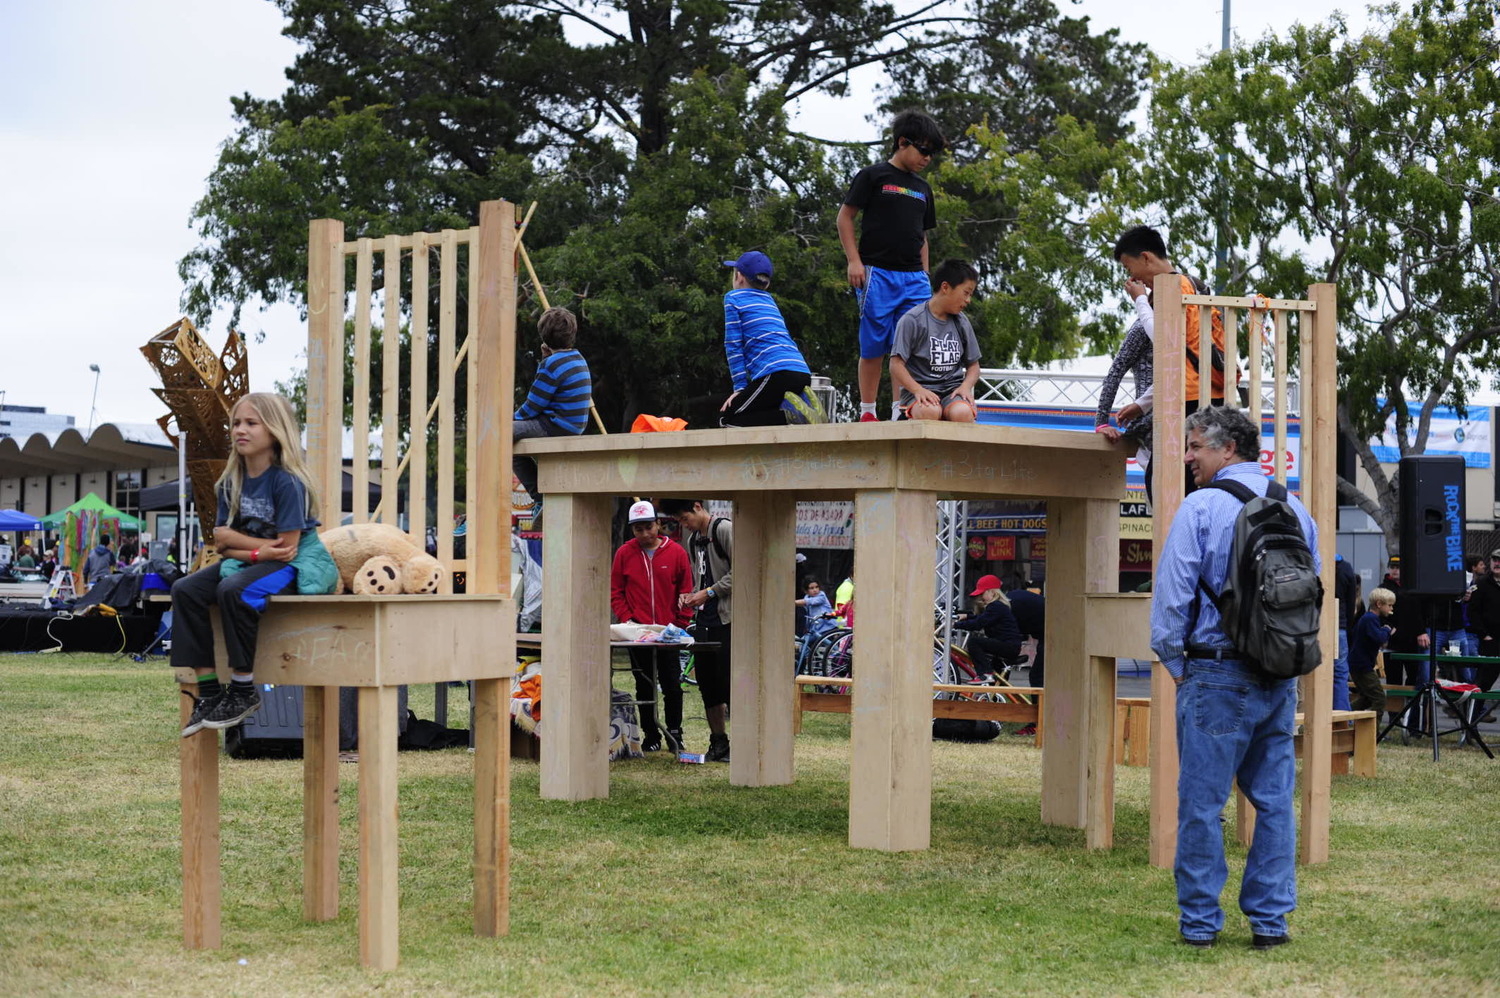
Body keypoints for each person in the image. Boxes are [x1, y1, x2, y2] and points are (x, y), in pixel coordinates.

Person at [1149, 405, 1318, 951]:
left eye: (1195, 446)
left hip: (1214, 672)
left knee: (1202, 804)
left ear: (1228, 449)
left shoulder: (1200, 506)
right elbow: (1310, 593)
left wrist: (1177, 666)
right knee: (1274, 801)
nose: (1188, 457)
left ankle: (1200, 923)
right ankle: (1270, 922)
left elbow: (1172, 599)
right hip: (1278, 675)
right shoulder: (1295, 508)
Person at [174, 393, 323, 736]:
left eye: (251, 423)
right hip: (253, 561)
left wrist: (240, 544)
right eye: (236, 423)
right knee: (185, 590)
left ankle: (243, 689)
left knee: (234, 590)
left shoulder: (287, 482)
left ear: (274, 430)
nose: (240, 430)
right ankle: (209, 692)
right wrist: (256, 552)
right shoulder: (231, 481)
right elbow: (220, 541)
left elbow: (286, 548)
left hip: (292, 564)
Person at [1110, 225, 1237, 503]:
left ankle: (1177, 530)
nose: (1132, 277)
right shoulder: (1191, 284)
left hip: (1190, 401)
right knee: (1179, 478)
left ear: (1146, 257)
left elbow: (1165, 342)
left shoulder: (1174, 286)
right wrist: (1142, 404)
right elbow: (1179, 363)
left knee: (1167, 481)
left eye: (1129, 267)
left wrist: (1140, 301)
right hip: (1205, 393)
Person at [837, 109, 945, 422]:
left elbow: (922, 236)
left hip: (914, 278)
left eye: (932, 153)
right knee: (873, 345)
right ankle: (868, 411)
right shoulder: (873, 176)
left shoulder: (923, 188)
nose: (927, 158)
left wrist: (925, 274)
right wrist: (854, 261)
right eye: (923, 150)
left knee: (908, 347)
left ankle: (902, 410)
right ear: (902, 142)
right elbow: (845, 217)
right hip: (877, 274)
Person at [609, 501, 693, 754]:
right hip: (638, 632)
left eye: (648, 527)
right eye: (638, 529)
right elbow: (616, 591)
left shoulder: (676, 552)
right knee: (643, 683)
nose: (645, 533)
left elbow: (686, 590)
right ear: (632, 530)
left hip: (669, 632)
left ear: (658, 524)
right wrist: (629, 620)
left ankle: (675, 733)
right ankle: (651, 734)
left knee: (672, 684)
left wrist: (680, 623)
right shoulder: (624, 553)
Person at [658, 498, 734, 763]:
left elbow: (744, 570)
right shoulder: (692, 541)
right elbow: (699, 579)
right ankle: (719, 742)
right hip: (704, 621)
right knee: (707, 684)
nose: (684, 524)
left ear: (698, 507)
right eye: (679, 521)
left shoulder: (723, 529)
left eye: (685, 518)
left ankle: (744, 743)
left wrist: (710, 592)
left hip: (728, 620)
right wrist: (690, 595)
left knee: (730, 683)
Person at [717, 251, 822, 427]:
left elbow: (733, 346)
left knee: (726, 420)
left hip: (776, 374)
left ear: (739, 276)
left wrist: (740, 389)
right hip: (802, 372)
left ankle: (791, 416)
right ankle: (802, 413)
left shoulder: (733, 298)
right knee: (761, 415)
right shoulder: (769, 300)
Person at [513, 306, 592, 529]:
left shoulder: (551, 364)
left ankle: (539, 497)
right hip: (574, 425)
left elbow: (532, 406)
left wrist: (511, 420)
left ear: (544, 338)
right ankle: (541, 495)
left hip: (556, 425)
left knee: (502, 436)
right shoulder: (577, 358)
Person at [889, 259, 981, 422]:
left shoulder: (962, 322)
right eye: (966, 293)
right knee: (929, 412)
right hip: (920, 392)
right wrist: (917, 390)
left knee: (962, 413)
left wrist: (966, 387)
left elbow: (973, 365)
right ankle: (909, 421)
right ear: (945, 287)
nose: (968, 300)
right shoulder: (912, 320)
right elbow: (896, 365)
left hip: (952, 392)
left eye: (970, 295)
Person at [1094, 313, 1154, 486]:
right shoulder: (1142, 328)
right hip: (1150, 426)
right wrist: (1102, 423)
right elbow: (1115, 372)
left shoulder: (1183, 326)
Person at [954, 574, 1022, 682]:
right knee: (995, 683)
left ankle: (985, 674)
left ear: (992, 592)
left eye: (982, 594)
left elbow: (978, 623)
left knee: (974, 642)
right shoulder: (997, 606)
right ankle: (992, 686)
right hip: (1008, 645)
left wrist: (955, 625)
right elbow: (982, 617)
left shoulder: (996, 606)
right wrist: (966, 616)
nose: (980, 598)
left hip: (1008, 646)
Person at [1348, 588, 1395, 714]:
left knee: (1367, 698)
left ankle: (1346, 714)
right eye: (1389, 605)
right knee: (1379, 699)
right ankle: (1373, 727)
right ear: (1379, 604)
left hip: (1358, 665)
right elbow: (1379, 638)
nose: (1391, 609)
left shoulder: (1367, 618)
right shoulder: (1371, 619)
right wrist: (1386, 630)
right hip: (1362, 666)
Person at [1469, 549, 1500, 713]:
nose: (1497, 563)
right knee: (1484, 681)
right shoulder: (1481, 584)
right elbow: (1473, 612)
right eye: (1495, 560)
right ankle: (1472, 717)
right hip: (1490, 641)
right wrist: (1484, 634)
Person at [1332, 554, 1361, 710]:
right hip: (1339, 625)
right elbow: (1351, 602)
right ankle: (1342, 716)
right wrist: (1348, 625)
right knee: (1340, 674)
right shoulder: (1346, 568)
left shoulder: (1314, 563)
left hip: (1315, 626)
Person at [1006, 579, 1046, 689]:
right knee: (1038, 675)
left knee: (1037, 676)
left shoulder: (1007, 607)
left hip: (1051, 632)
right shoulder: (1011, 599)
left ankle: (1039, 701)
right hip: (1048, 630)